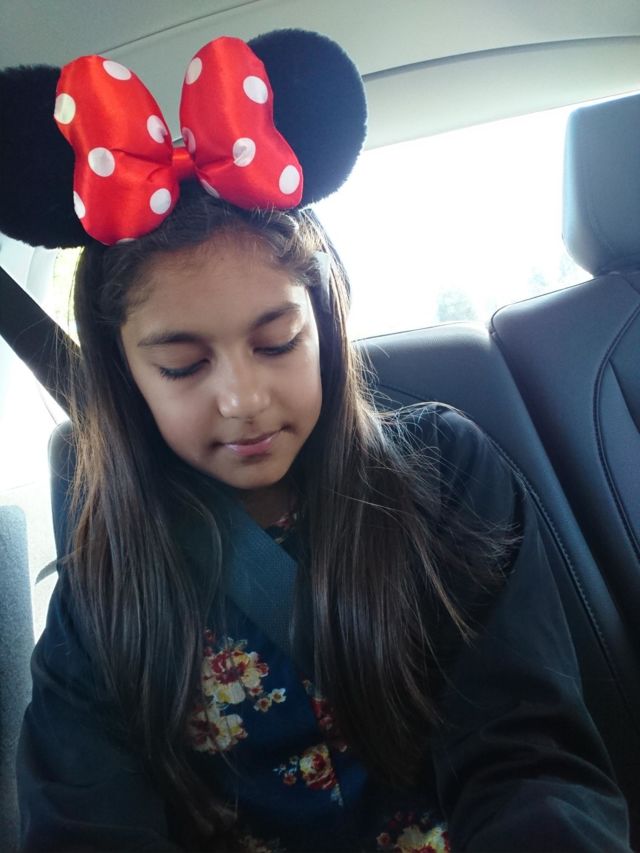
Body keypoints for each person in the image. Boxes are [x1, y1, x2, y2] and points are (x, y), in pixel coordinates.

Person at [2, 28, 632, 853]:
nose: (243, 399)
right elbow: (85, 818)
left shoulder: (447, 476)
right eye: (183, 365)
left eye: (276, 343)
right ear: (126, 377)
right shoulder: (105, 585)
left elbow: (525, 753)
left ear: (325, 327)